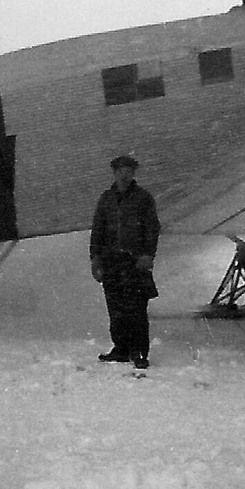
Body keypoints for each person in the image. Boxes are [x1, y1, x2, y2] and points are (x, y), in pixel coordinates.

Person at [90, 154, 161, 369]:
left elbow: (152, 228)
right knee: (116, 308)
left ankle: (139, 351)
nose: (125, 173)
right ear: (115, 172)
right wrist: (95, 259)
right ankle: (121, 348)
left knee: (136, 309)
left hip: (134, 262)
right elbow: (98, 230)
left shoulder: (143, 198)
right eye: (121, 169)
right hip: (112, 261)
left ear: (133, 173)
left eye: (129, 169)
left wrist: (148, 254)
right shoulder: (106, 199)